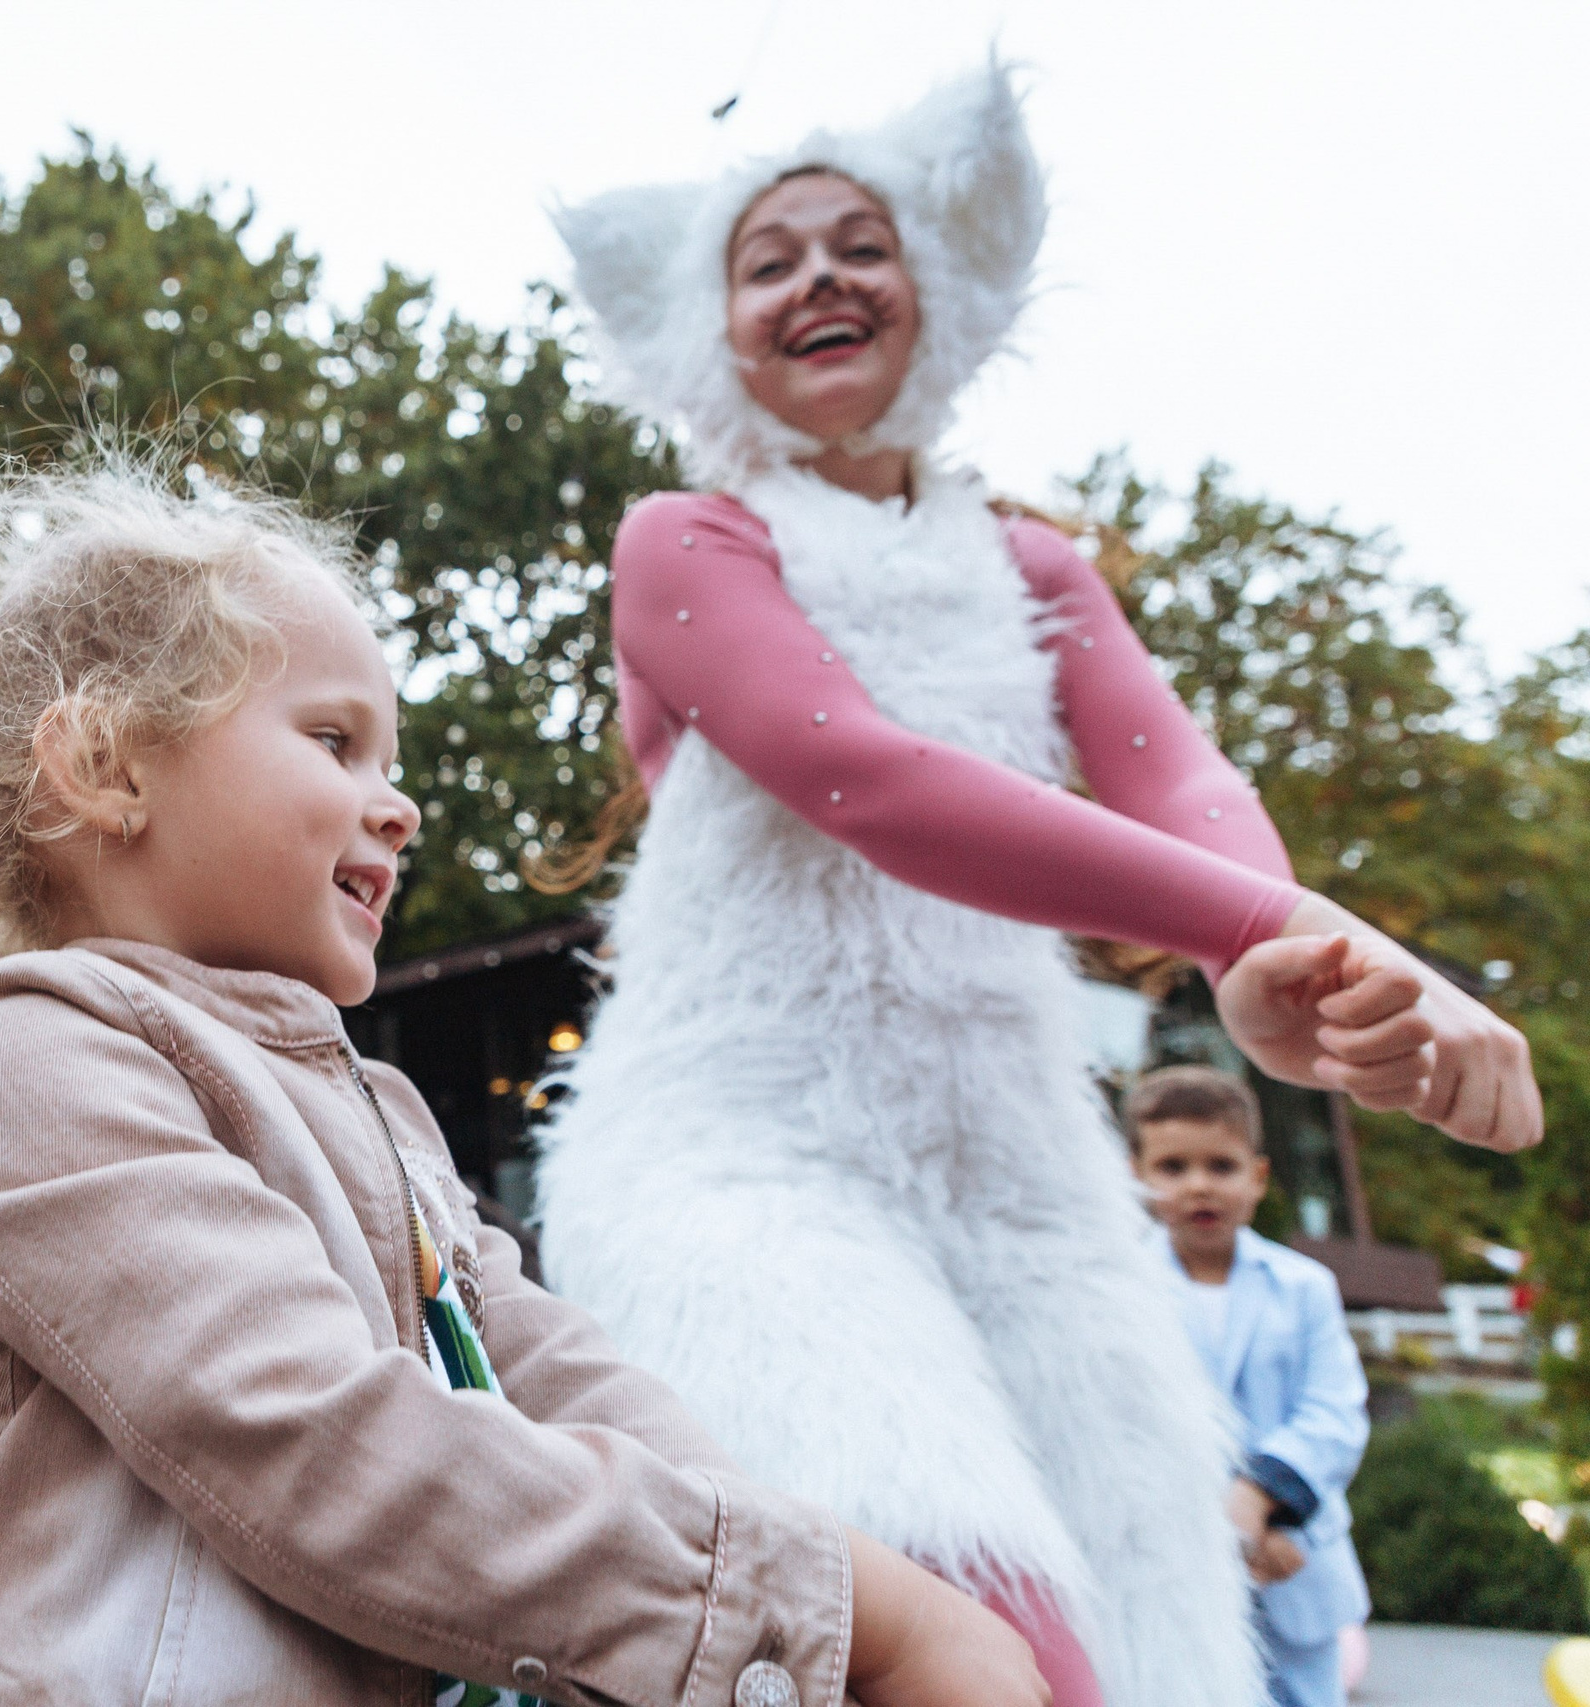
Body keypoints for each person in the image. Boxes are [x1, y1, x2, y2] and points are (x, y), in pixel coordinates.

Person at [534, 57, 1539, 1707]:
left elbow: (1180, 774)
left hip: (1020, 1179)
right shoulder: (687, 543)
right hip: (745, 1158)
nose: (818, 279)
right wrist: (1272, 923)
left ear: (938, 285)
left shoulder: (1034, 562)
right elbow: (872, 777)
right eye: (767, 258)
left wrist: (1274, 957)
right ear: (712, 335)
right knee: (979, 1632)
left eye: (859, 243)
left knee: (1163, 1643)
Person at [0, 456, 1052, 1707]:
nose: (400, 804)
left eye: (391, 759)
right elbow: (316, 1437)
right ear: (105, 766)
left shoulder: (382, 1114)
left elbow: (563, 1372)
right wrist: (838, 1602)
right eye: (334, 739)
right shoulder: (40, 1054)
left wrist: (788, 1582)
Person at [1127, 1066, 1372, 1707]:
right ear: (1136, 1173)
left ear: (1258, 1177)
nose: (1199, 1185)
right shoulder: (1121, 1291)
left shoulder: (1303, 1287)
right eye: (1173, 1167)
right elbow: (1125, 1423)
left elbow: (1334, 1415)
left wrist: (1260, 1502)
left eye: (1221, 1165)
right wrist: (1221, 1531)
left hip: (1294, 1558)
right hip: (1174, 1567)